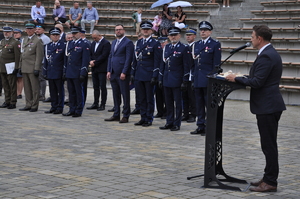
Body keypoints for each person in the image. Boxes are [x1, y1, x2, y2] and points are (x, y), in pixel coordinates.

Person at [226, 25, 286, 192]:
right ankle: (267, 177)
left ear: (259, 39)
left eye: (252, 37)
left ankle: (271, 182)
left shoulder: (267, 55)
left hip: (268, 106)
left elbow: (258, 82)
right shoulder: (267, 53)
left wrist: (236, 79)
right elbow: (258, 78)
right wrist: (242, 77)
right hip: (268, 105)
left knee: (269, 145)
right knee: (267, 144)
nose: (250, 40)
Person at [190, 21, 221, 135]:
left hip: (208, 79)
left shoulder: (215, 44)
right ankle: (200, 125)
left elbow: (216, 64)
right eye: (201, 30)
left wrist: (213, 78)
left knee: (209, 105)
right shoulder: (196, 45)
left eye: (205, 30)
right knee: (199, 104)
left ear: (210, 32)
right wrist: (193, 78)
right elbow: (194, 64)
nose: (202, 32)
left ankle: (209, 126)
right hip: (198, 79)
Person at [159, 27, 191, 131]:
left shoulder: (184, 48)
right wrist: (160, 78)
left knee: (177, 103)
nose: (173, 37)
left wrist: (185, 80)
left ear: (179, 36)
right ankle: (169, 121)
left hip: (177, 80)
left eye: (175, 35)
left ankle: (177, 123)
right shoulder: (167, 47)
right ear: (168, 36)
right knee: (168, 103)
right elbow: (162, 65)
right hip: (167, 79)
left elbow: (186, 66)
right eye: (171, 35)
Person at [131, 21, 162, 127]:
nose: (145, 31)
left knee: (149, 98)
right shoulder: (138, 43)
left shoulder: (155, 43)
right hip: (139, 74)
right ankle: (143, 117)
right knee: (141, 98)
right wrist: (132, 72)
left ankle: (149, 118)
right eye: (143, 29)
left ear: (151, 31)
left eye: (147, 29)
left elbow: (157, 61)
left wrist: (155, 75)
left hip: (149, 75)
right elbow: (135, 60)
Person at [105, 24, 134, 123]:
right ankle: (116, 114)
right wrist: (109, 70)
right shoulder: (113, 42)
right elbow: (110, 57)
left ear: (124, 31)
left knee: (125, 95)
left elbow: (128, 59)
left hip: (122, 74)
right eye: (116, 30)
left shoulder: (128, 42)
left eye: (120, 30)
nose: (118, 31)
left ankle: (126, 115)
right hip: (113, 73)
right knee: (115, 94)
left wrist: (124, 72)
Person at [63, 26, 90, 117]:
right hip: (70, 71)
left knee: (79, 93)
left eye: (75, 33)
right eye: (72, 33)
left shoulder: (84, 44)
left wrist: (83, 72)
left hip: (78, 71)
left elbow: (85, 60)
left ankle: (78, 110)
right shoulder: (70, 43)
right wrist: (65, 71)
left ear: (80, 33)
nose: (73, 35)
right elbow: (67, 59)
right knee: (71, 92)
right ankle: (72, 109)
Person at [19, 23, 44, 112]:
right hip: (25, 67)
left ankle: (34, 105)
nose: (29, 30)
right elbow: (22, 53)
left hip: (33, 67)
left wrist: (37, 68)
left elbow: (39, 56)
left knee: (35, 88)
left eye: (31, 29)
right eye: (27, 29)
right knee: (27, 88)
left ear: (34, 30)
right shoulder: (24, 39)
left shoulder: (38, 40)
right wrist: (20, 66)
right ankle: (28, 104)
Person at [43, 27, 66, 114]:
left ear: (59, 36)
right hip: (50, 71)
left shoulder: (63, 45)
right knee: (52, 91)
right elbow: (45, 60)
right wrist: (45, 71)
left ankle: (60, 107)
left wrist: (64, 72)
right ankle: (53, 106)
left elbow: (64, 60)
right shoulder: (47, 46)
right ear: (50, 36)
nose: (55, 36)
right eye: (53, 35)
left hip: (59, 71)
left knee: (60, 91)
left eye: (57, 35)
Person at [87, 30, 111, 111]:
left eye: (95, 38)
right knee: (95, 86)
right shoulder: (93, 43)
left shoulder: (106, 43)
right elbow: (90, 53)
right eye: (93, 38)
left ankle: (103, 103)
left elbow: (104, 55)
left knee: (102, 87)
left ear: (99, 35)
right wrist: (90, 61)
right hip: (94, 68)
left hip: (102, 68)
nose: (94, 39)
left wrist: (95, 62)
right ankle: (95, 103)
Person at [0, 26, 21, 109]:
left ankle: (13, 101)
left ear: (12, 32)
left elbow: (17, 56)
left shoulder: (15, 42)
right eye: (5, 32)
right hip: (2, 66)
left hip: (10, 66)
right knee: (5, 85)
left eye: (8, 32)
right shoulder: (2, 41)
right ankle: (7, 100)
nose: (6, 33)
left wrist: (17, 67)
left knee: (12, 85)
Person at [182, 28, 197, 123]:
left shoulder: (195, 47)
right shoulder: (184, 47)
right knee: (185, 96)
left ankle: (193, 114)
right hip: (184, 75)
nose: (188, 36)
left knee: (192, 97)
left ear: (194, 36)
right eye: (187, 35)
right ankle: (186, 113)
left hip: (192, 75)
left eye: (190, 35)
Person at [35, 24, 51, 102]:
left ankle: (42, 95)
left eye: (39, 29)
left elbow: (45, 51)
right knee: (36, 78)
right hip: (35, 61)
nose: (37, 30)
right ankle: (37, 94)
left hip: (42, 61)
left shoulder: (45, 38)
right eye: (36, 29)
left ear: (43, 30)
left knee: (41, 79)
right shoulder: (36, 38)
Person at [154, 36, 168, 119]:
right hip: (157, 73)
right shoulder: (158, 50)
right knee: (158, 94)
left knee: (165, 95)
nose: (162, 44)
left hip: (166, 74)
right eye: (161, 42)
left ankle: (166, 111)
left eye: (164, 42)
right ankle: (160, 111)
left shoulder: (168, 49)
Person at [13, 28, 24, 99]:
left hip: (20, 62)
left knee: (20, 78)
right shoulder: (12, 41)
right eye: (14, 33)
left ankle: (19, 93)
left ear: (20, 34)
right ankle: (15, 92)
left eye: (17, 33)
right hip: (12, 62)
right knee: (14, 78)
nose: (15, 34)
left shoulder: (22, 42)